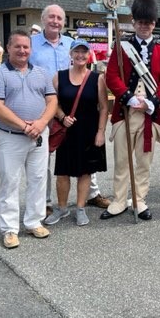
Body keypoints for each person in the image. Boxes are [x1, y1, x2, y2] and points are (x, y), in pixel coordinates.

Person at [30, 4, 110, 211]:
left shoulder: (70, 43)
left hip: (74, 109)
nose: (55, 21)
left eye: (59, 18)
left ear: (64, 22)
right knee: (44, 158)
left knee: (85, 154)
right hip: (43, 108)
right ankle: (45, 202)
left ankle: (91, 194)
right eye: (51, 17)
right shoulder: (31, 44)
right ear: (43, 19)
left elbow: (102, 104)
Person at [101, 0, 160, 221]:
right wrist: (129, 97)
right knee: (122, 159)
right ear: (134, 22)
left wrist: (152, 101)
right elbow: (112, 76)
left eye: (149, 22)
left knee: (144, 161)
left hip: (150, 113)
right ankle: (119, 200)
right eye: (141, 22)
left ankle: (139, 199)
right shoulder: (122, 47)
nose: (145, 26)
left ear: (154, 23)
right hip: (126, 110)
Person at [0, 30, 57, 248]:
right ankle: (9, 229)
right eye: (17, 46)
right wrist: (24, 126)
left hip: (38, 135)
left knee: (38, 180)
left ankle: (34, 221)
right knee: (10, 182)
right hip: (11, 136)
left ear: (30, 49)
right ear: (8, 48)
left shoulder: (41, 73)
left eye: (26, 47)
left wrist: (41, 123)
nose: (22, 50)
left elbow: (52, 101)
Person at [44, 39, 108, 227]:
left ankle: (80, 208)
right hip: (67, 131)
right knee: (62, 172)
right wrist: (63, 116)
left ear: (89, 55)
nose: (80, 55)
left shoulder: (97, 79)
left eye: (84, 52)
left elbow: (104, 108)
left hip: (89, 131)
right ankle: (62, 208)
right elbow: (51, 102)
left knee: (85, 172)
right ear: (70, 54)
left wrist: (101, 132)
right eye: (76, 52)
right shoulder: (59, 76)